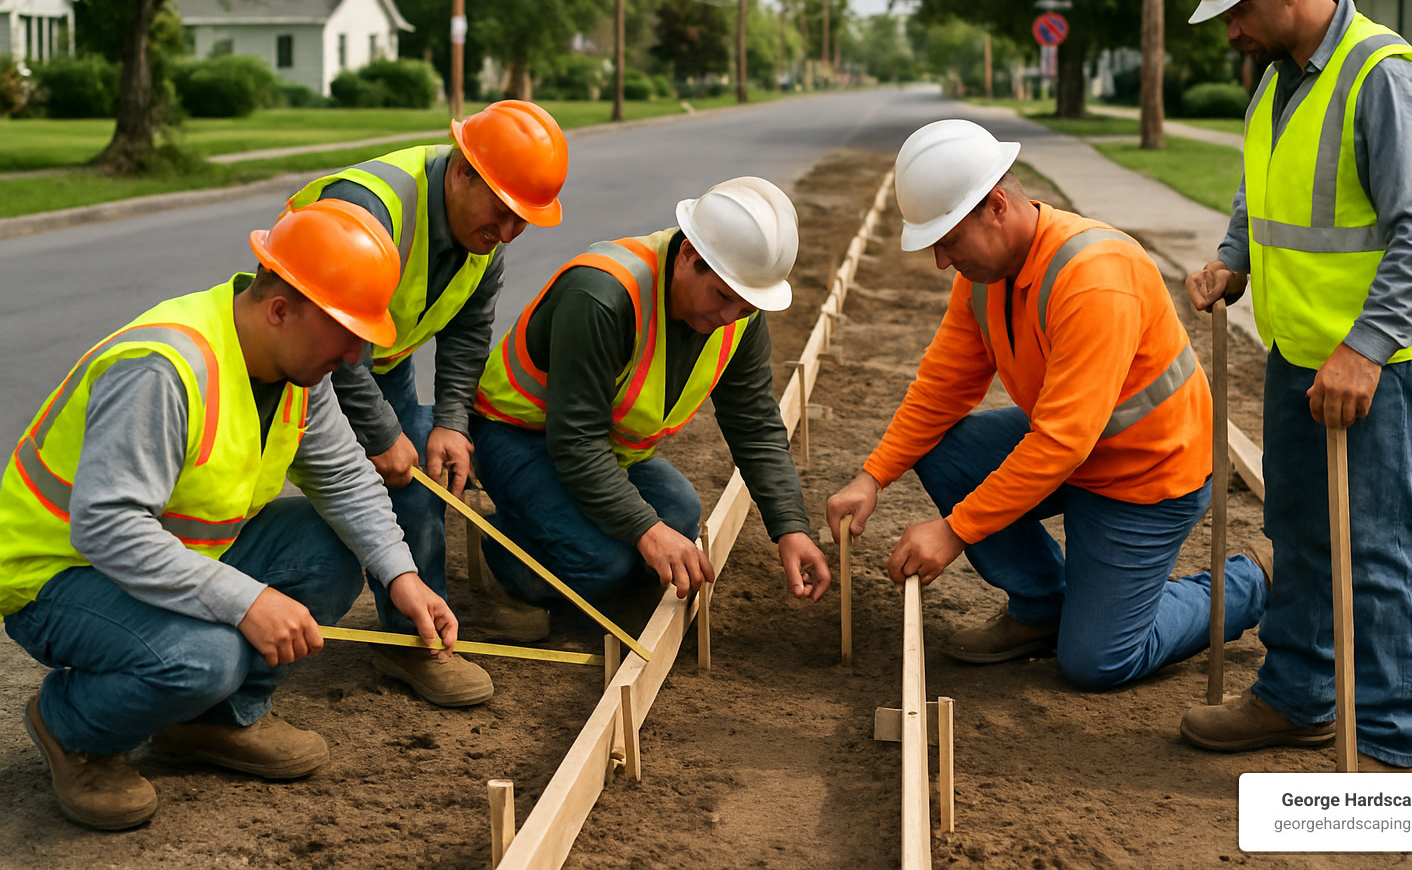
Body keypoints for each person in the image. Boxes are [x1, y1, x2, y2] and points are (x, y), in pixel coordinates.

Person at [0, 200, 458, 830]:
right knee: (204, 657)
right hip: (57, 576)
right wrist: (246, 601)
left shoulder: (299, 369)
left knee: (331, 546)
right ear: (280, 309)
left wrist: (404, 579)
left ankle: (211, 723)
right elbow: (108, 526)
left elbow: (346, 478)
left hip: (169, 559)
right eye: (346, 332)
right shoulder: (165, 368)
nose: (356, 357)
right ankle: (71, 727)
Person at [825, 119, 1268, 690]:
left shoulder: (1093, 280)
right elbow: (942, 385)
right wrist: (872, 476)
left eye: (948, 239)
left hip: (1148, 473)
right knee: (941, 451)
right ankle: (1044, 607)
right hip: (1072, 450)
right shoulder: (984, 275)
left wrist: (955, 532)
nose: (940, 260)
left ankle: (1251, 583)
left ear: (997, 206)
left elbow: (1061, 443)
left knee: (1097, 662)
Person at [1178, 0, 1412, 772]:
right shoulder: (1279, 77)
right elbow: (1260, 185)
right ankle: (1298, 697)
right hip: (1301, 354)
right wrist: (1235, 259)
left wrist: (1364, 350)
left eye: (1238, 13)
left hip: (1371, 364)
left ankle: (1384, 738)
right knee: (1300, 525)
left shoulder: (1384, 77)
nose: (1231, 34)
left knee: (1375, 544)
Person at [285, 100, 567, 708]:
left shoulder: (482, 235)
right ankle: (414, 640)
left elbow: (468, 330)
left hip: (373, 360)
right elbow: (331, 335)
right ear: (463, 170)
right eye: (503, 212)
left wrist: (449, 422)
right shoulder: (372, 209)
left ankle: (410, 632)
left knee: (422, 463)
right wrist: (385, 433)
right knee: (399, 470)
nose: (509, 233)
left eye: (523, 221)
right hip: (302, 352)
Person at [470, 176, 831, 613]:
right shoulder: (602, 296)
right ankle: (511, 554)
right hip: (514, 434)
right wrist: (644, 530)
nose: (729, 317)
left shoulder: (740, 312)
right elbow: (576, 443)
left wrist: (790, 527)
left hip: (602, 446)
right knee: (603, 562)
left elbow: (754, 424)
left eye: (747, 307)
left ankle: (566, 534)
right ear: (688, 255)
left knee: (679, 512)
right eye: (723, 296)